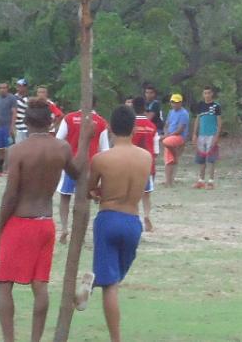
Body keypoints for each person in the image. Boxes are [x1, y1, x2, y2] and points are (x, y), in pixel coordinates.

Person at [0, 98, 93, 342]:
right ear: (51, 121)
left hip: (20, 222)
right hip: (45, 223)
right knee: (40, 285)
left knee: (4, 283)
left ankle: (10, 339)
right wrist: (85, 141)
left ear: (26, 122)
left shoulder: (18, 151)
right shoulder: (62, 148)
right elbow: (78, 173)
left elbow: (11, 194)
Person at [79, 105, 152, 342]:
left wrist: (97, 193)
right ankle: (91, 284)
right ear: (134, 127)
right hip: (132, 220)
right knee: (115, 277)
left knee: (110, 285)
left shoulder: (101, 159)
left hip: (109, 217)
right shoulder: (146, 157)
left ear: (109, 127)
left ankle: (115, 339)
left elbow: (89, 189)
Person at [56, 96, 110, 244]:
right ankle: (81, 232)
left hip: (70, 163)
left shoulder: (69, 118)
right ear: (96, 104)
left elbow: (58, 141)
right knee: (85, 198)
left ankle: (64, 227)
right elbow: (104, 149)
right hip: (91, 166)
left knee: (65, 196)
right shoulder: (101, 122)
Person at [131, 97, 159, 231]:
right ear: (144, 108)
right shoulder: (151, 126)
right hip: (147, 165)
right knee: (146, 194)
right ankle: (147, 215)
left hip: (131, 164)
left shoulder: (130, 125)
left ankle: (136, 218)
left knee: (132, 194)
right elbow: (156, 150)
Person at [192, 86, 222, 189]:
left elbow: (219, 123)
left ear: (212, 94)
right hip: (201, 135)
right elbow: (197, 120)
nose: (207, 95)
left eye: (209, 93)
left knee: (211, 159)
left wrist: (216, 136)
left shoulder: (216, 106)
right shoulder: (200, 105)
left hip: (211, 135)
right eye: (205, 93)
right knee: (201, 158)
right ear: (203, 94)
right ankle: (201, 180)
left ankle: (211, 181)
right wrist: (194, 134)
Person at [162, 93, 190, 187]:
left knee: (166, 143)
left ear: (181, 103)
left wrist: (168, 136)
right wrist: (166, 133)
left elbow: (180, 129)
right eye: (173, 102)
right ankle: (168, 181)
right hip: (170, 136)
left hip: (179, 137)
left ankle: (175, 155)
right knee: (168, 160)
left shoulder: (184, 113)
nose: (174, 104)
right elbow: (166, 125)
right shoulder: (171, 112)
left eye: (177, 102)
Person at [0, 83, 18, 177]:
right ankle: (0, 169)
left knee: (10, 148)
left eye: (4, 88)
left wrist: (12, 126)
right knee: (0, 148)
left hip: (8, 127)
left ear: (7, 89)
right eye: (0, 88)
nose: (2, 89)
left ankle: (9, 168)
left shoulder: (12, 98)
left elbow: (14, 113)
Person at [14, 79, 29, 143]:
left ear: (25, 87)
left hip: (25, 127)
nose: (18, 87)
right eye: (17, 86)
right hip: (16, 128)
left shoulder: (28, 99)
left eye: (20, 86)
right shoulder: (14, 97)